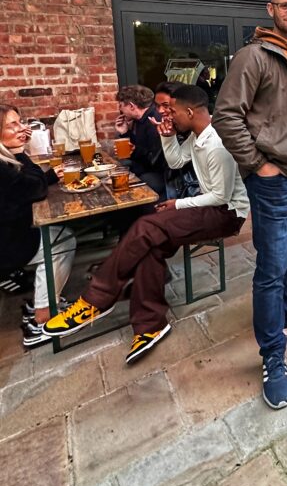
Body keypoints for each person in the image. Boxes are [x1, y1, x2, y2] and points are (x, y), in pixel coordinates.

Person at [44, 85, 248, 364]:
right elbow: (176, 162)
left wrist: (177, 204)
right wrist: (167, 138)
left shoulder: (217, 143)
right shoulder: (196, 136)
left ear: (190, 112)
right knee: (150, 243)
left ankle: (96, 299)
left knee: (146, 227)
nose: (167, 116)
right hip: (206, 206)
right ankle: (150, 325)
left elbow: (220, 196)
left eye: (172, 111)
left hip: (226, 213)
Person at [213, 0, 287, 410]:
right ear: (271, 9)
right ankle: (272, 355)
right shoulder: (254, 56)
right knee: (271, 266)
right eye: (285, 5)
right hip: (273, 180)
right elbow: (226, 115)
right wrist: (257, 164)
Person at [0, 104, 76, 348]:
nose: (21, 128)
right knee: (62, 241)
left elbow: (27, 183)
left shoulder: (5, 159)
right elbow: (34, 188)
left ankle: (43, 301)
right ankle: (42, 319)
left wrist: (49, 176)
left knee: (61, 232)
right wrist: (22, 152)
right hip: (6, 245)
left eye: (20, 122)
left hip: (10, 233)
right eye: (12, 125)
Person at [114, 84, 168, 197]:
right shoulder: (138, 120)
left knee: (139, 181)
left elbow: (155, 160)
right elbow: (136, 147)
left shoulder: (154, 120)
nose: (120, 110)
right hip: (145, 165)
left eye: (121, 106)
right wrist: (124, 133)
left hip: (161, 172)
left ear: (131, 106)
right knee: (120, 167)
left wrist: (134, 150)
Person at [154, 82, 200, 199]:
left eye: (166, 105)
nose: (160, 111)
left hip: (194, 192)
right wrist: (166, 136)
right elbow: (170, 163)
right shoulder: (170, 126)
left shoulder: (200, 129)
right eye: (157, 106)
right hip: (176, 187)